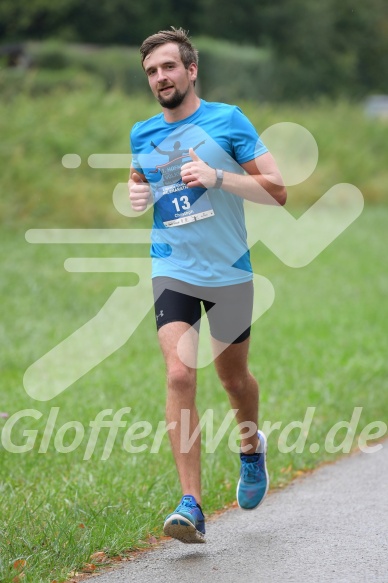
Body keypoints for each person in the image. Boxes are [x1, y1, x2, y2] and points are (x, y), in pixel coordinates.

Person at [128, 27, 286, 544]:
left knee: (234, 380)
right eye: (152, 71)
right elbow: (144, 177)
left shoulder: (229, 120)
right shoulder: (142, 132)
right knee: (179, 375)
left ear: (191, 70)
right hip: (172, 266)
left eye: (168, 67)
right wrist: (138, 190)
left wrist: (219, 179)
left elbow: (277, 190)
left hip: (230, 272)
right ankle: (191, 504)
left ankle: (250, 448)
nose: (160, 78)